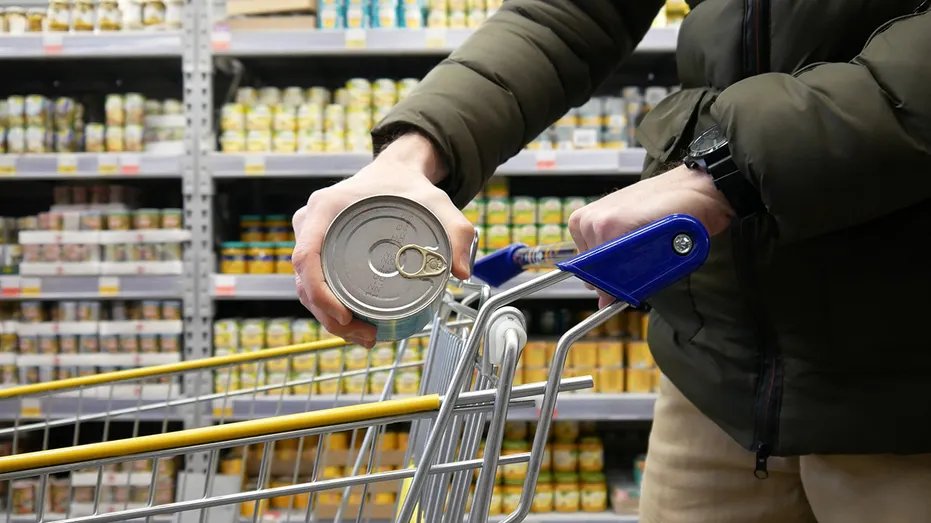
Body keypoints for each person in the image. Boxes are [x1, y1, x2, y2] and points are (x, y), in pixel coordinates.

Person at [292, 1, 931, 521]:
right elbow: (573, 13)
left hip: (902, 391)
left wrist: (731, 168)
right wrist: (415, 150)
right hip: (714, 374)